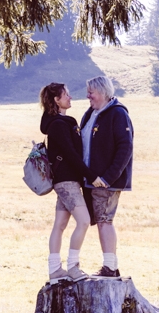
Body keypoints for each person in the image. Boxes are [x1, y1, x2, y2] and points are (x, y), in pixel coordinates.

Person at [79, 74, 133, 278]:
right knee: (100, 220)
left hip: (105, 182)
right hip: (92, 180)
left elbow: (125, 147)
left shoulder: (117, 114)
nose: (88, 96)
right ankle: (109, 267)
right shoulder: (91, 113)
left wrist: (108, 178)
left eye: (91, 92)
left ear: (102, 92)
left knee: (104, 220)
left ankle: (110, 268)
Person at [39, 82, 90, 283]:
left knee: (59, 225)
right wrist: (91, 175)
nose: (70, 97)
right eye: (66, 95)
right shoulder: (59, 125)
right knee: (84, 221)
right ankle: (73, 267)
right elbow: (71, 155)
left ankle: (54, 270)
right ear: (56, 100)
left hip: (65, 181)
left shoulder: (58, 122)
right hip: (67, 182)